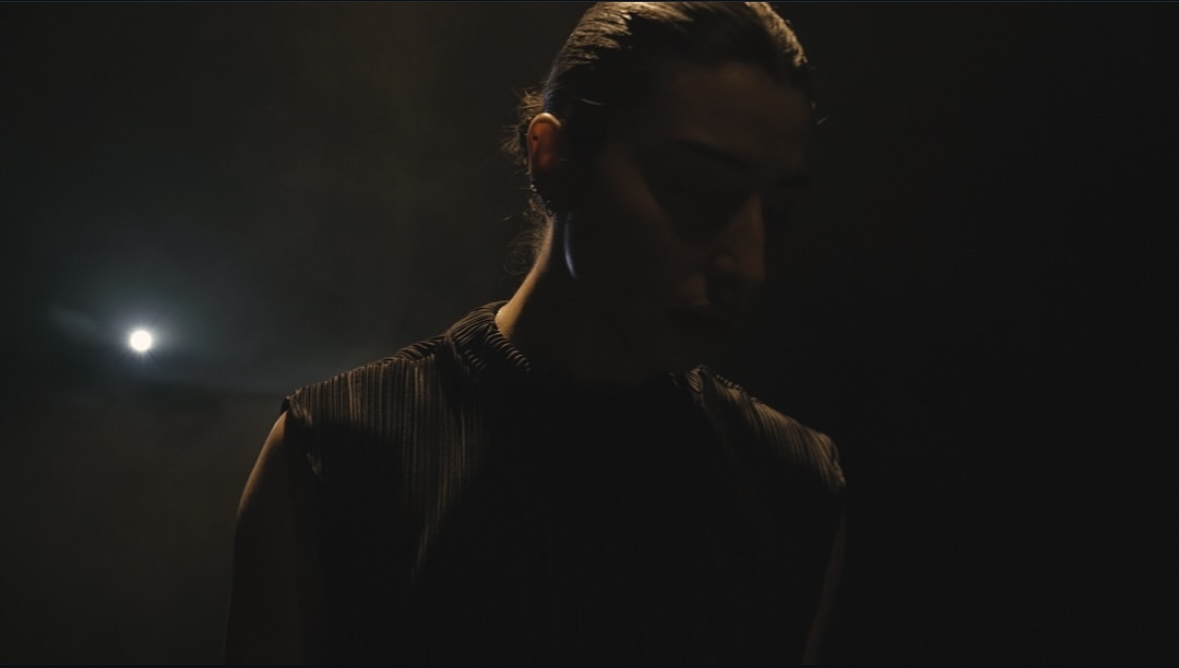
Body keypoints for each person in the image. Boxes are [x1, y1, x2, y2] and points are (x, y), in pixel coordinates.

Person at [225, 2, 846, 664]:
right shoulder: (339, 449)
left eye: (777, 209)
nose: (748, 264)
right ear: (551, 158)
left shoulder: (790, 480)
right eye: (696, 189)